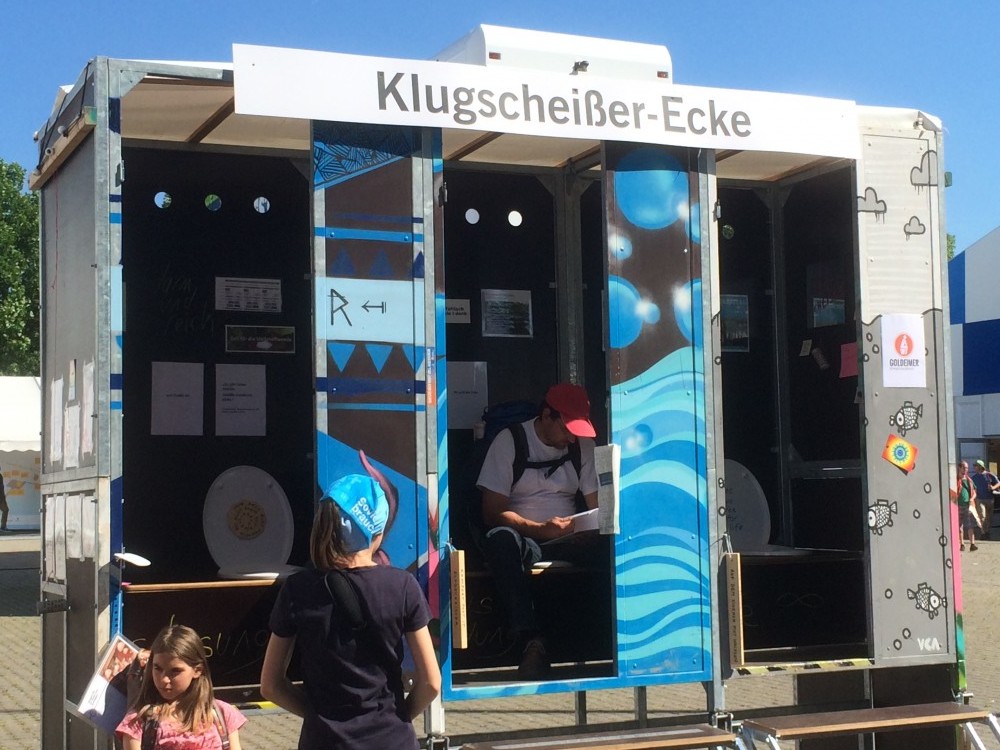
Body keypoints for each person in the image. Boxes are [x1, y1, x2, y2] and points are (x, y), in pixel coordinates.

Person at [260, 473, 441, 749]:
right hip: (391, 739)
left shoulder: (297, 590)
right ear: (378, 531)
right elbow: (431, 683)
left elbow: (270, 685)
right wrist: (399, 717)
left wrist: (317, 718)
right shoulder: (402, 586)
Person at [476, 382, 602, 680]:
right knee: (500, 540)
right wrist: (540, 529)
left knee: (613, 544)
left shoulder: (582, 447)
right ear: (546, 416)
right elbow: (492, 512)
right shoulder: (510, 441)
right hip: (525, 538)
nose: (571, 438)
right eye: (567, 429)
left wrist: (592, 529)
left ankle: (601, 638)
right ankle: (529, 636)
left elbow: (598, 506)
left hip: (569, 537)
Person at [116, 624, 246, 750]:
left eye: (175, 671)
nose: (164, 679)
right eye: (158, 668)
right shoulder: (139, 720)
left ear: (197, 670)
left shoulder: (221, 714)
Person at [971, 460, 999, 539]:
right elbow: (971, 488)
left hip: (990, 499)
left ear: (980, 466)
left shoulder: (989, 475)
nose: (974, 467)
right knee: (982, 516)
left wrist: (993, 487)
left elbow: (998, 483)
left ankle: (987, 532)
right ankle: (983, 533)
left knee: (989, 517)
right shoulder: (974, 478)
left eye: (976, 465)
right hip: (979, 499)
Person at [957, 460, 980, 552]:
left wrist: (971, 499)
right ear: (959, 468)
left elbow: (975, 492)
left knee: (970, 525)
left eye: (966, 468)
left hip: (968, 505)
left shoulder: (969, 480)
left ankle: (972, 544)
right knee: (959, 526)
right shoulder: (955, 480)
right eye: (964, 467)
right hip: (958, 506)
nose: (966, 469)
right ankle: (962, 544)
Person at [0, 463, 8, 531]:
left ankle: (3, 526)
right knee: (5, 510)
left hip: (1, 497)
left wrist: (3, 496)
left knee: (6, 510)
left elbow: (2, 488)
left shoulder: (0, 476)